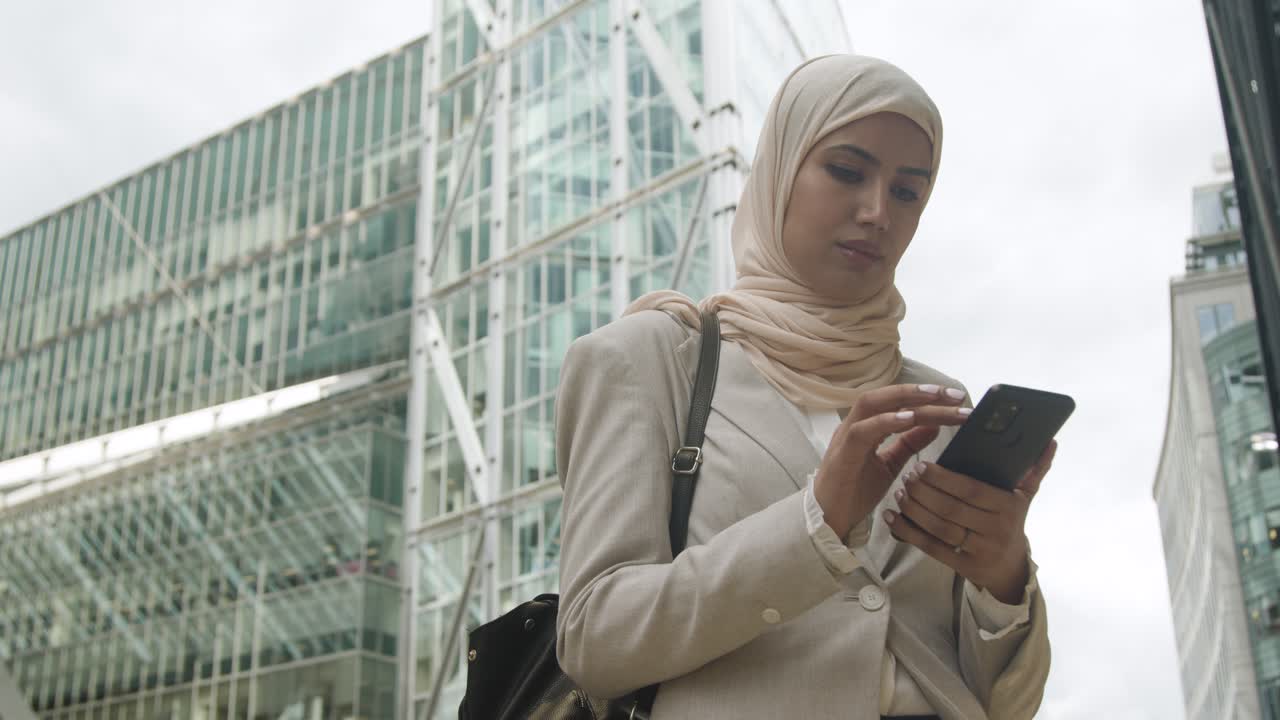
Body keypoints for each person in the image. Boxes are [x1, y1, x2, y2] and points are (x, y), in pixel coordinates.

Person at [553, 54, 1053, 720]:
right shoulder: (649, 362)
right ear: (781, 170)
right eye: (847, 172)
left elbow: (1006, 705)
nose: (877, 211)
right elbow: (594, 641)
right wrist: (814, 525)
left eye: (908, 191)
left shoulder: (936, 403)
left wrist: (1003, 579)